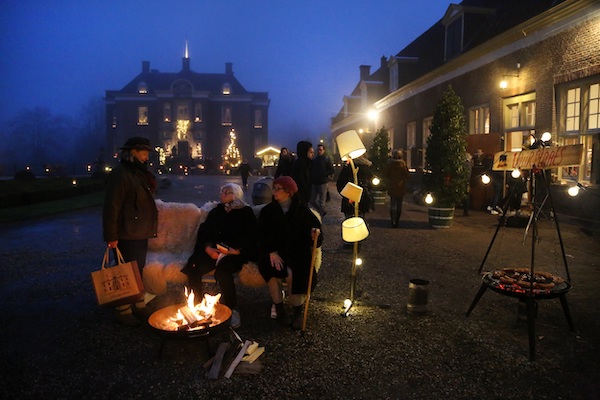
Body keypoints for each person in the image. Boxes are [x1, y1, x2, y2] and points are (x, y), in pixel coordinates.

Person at [181, 183, 257, 329]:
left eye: (227, 192)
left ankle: (231, 308)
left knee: (223, 272)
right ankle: (196, 305)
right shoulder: (216, 212)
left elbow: (251, 235)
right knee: (194, 267)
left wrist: (238, 250)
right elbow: (205, 231)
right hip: (215, 251)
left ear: (236, 195)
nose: (222, 195)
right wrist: (208, 247)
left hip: (234, 253)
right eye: (222, 192)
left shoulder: (245, 212)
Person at [103, 137, 158, 326]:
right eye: (143, 152)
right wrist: (111, 236)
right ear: (133, 152)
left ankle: (138, 302)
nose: (146, 156)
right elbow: (112, 206)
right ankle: (123, 309)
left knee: (137, 269)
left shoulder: (137, 172)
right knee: (123, 271)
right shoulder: (122, 173)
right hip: (126, 231)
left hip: (139, 231)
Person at [257, 176, 323, 330]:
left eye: (278, 188)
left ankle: (297, 310)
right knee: (272, 272)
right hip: (274, 253)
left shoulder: (302, 210)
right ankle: (279, 308)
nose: (274, 191)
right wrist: (271, 252)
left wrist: (315, 234)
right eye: (274, 188)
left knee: (294, 273)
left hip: (296, 252)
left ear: (289, 192)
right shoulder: (268, 211)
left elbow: (316, 232)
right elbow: (261, 235)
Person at [383, 149, 409, 228]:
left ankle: (392, 221)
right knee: (399, 205)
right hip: (400, 186)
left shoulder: (390, 164)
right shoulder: (403, 164)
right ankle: (397, 222)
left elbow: (386, 174)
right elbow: (407, 175)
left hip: (392, 186)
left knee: (392, 204)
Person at [309, 143, 334, 217]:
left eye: (320, 150)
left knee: (322, 201)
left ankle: (320, 215)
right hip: (315, 182)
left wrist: (324, 173)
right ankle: (321, 211)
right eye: (318, 150)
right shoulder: (315, 159)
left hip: (323, 182)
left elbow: (332, 170)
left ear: (323, 150)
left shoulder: (326, 159)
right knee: (312, 200)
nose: (319, 151)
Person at [462, 152, 473, 216]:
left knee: (465, 196)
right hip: (466, 181)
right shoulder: (469, 164)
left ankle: (465, 210)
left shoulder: (464, 164)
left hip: (464, 181)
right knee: (466, 196)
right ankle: (466, 211)